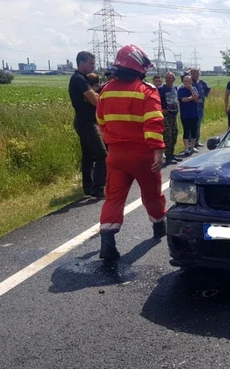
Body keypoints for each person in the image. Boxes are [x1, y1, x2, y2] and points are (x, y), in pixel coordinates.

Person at [95, 44, 166, 261]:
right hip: (142, 154)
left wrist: (113, 142)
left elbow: (101, 122)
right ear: (138, 67)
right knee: (152, 193)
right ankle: (158, 225)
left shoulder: (106, 90)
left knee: (114, 198)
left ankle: (107, 241)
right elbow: (153, 123)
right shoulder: (146, 91)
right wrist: (158, 152)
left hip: (116, 154)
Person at [69, 51, 107, 199]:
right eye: (91, 63)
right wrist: (99, 97)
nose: (93, 66)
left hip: (85, 121)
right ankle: (98, 189)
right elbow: (96, 100)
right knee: (102, 155)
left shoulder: (83, 78)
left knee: (88, 156)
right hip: (86, 123)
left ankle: (87, 187)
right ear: (81, 63)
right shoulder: (79, 79)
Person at [158, 71, 181, 165]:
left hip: (174, 114)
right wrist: (161, 109)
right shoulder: (161, 89)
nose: (168, 79)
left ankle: (172, 153)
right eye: (167, 77)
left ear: (174, 79)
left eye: (170, 78)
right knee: (167, 135)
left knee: (174, 133)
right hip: (166, 115)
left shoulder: (175, 88)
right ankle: (168, 157)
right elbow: (156, 101)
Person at [178, 75, 201, 156]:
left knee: (194, 131)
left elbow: (196, 97)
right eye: (185, 81)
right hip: (185, 114)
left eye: (188, 81)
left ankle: (192, 147)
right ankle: (186, 148)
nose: (187, 83)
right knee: (186, 131)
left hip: (194, 113)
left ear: (191, 81)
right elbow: (183, 100)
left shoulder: (194, 88)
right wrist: (192, 98)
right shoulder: (181, 89)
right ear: (183, 82)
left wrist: (191, 89)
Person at [189, 68, 211, 149]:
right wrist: (188, 71)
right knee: (192, 125)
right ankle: (190, 143)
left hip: (200, 107)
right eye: (193, 73)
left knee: (198, 125)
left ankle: (196, 141)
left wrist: (204, 95)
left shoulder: (202, 82)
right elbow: (183, 76)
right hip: (192, 107)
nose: (195, 75)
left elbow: (208, 89)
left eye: (197, 73)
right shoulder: (189, 82)